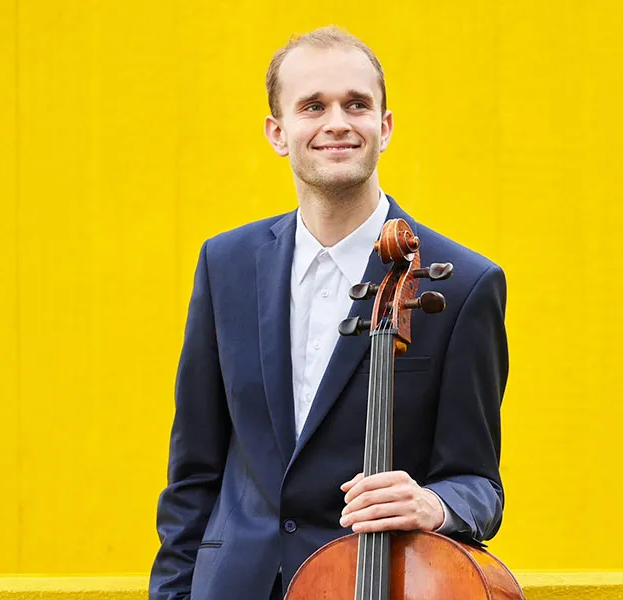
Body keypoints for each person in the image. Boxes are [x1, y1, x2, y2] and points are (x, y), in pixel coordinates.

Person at [149, 26, 508, 600]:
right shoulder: (226, 264)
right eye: (312, 106)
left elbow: (480, 484)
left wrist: (434, 503)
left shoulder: (463, 283)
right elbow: (193, 470)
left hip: (377, 582)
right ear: (278, 131)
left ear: (384, 127)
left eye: (357, 104)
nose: (336, 122)